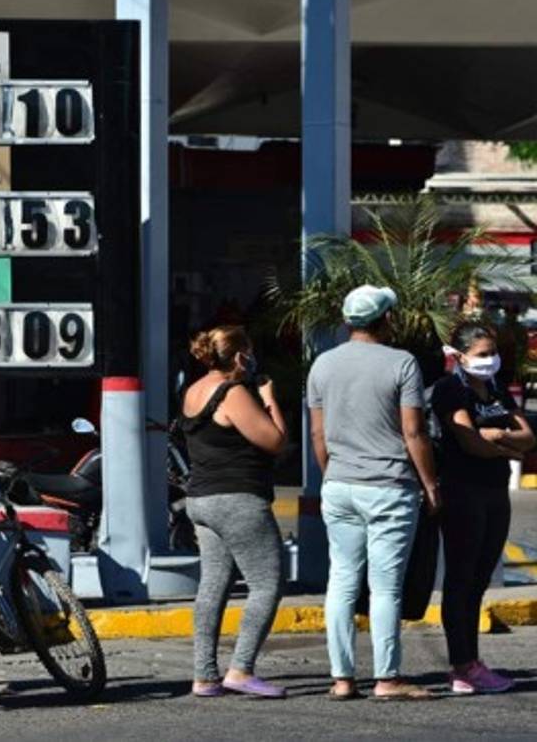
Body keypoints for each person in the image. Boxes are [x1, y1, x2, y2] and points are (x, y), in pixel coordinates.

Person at [308, 285, 442, 701]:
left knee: (342, 582)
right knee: (386, 587)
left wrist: (332, 474)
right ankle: (386, 678)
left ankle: (342, 679)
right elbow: (413, 431)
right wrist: (431, 484)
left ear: (348, 322)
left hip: (340, 486)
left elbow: (317, 432)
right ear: (386, 319)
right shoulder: (402, 363)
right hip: (389, 487)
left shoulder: (322, 365)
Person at [180, 326, 288, 699]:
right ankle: (241, 669)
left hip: (202, 499)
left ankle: (204, 674)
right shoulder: (233, 392)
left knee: (213, 585)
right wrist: (270, 399)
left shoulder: (193, 391)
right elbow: (274, 440)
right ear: (240, 357)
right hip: (237, 498)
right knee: (267, 583)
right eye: (250, 352)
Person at [432, 322, 534, 693]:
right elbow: (468, 441)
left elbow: (528, 437)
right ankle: (462, 666)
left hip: (494, 492)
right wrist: (503, 445)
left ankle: (472, 662)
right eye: (481, 354)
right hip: (462, 491)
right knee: (460, 580)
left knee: (478, 581)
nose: (490, 360)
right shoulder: (449, 391)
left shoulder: (495, 389)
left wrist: (500, 437)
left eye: (492, 352)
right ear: (459, 356)